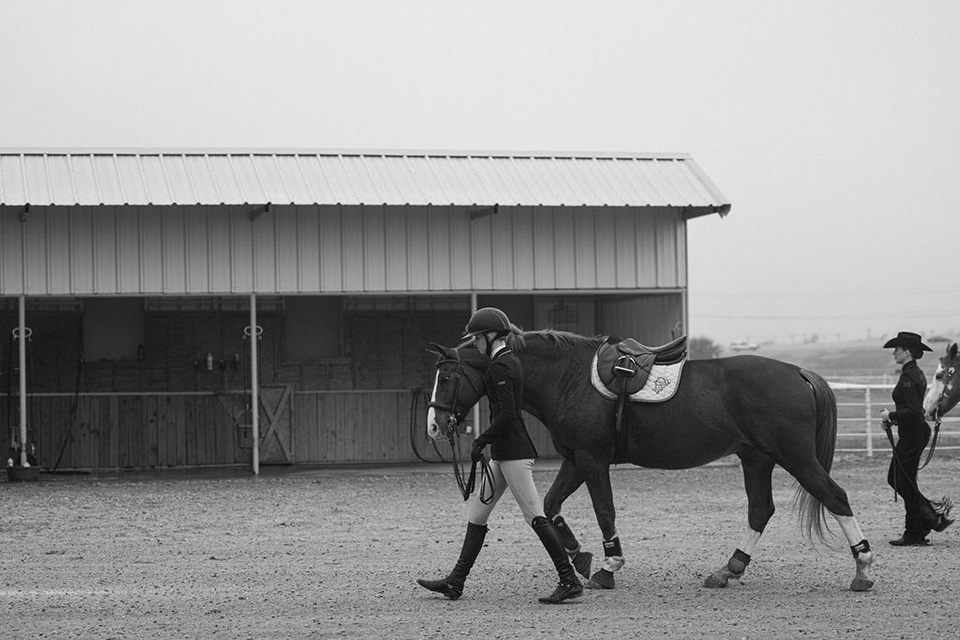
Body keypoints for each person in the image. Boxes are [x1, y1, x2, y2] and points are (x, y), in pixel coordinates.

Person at [417, 307, 583, 604]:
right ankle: (455, 582)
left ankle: (568, 580)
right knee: (477, 516)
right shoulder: (503, 362)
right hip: (503, 453)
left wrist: (480, 440)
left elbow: (508, 415)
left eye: (478, 338)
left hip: (514, 454)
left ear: (490, 336)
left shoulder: (502, 367)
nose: (476, 344)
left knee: (536, 517)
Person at [880, 331, 954, 546]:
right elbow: (912, 410)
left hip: (913, 435)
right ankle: (925, 524)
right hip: (913, 432)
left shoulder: (909, 377)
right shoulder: (914, 373)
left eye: (898, 349)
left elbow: (913, 410)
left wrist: (890, 415)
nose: (894, 352)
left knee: (898, 480)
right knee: (903, 480)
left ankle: (920, 527)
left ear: (908, 352)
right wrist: (895, 420)